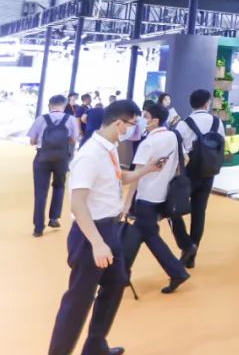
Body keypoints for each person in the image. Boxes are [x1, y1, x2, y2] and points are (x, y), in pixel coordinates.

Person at [47, 100, 166, 355]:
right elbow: (78, 204)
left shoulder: (109, 149)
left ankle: (95, 346)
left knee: (115, 284)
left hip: (110, 230)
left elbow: (119, 177)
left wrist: (148, 169)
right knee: (79, 300)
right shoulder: (90, 155)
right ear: (118, 123)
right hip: (91, 235)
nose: (133, 130)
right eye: (132, 125)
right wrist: (97, 243)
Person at [121, 103, 189, 294]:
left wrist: (127, 202)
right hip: (163, 194)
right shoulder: (173, 137)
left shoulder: (148, 143)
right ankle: (122, 273)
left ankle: (176, 272)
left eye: (146, 116)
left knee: (145, 235)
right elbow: (184, 159)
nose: (142, 120)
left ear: (155, 120)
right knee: (143, 234)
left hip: (146, 196)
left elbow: (136, 176)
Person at [171, 89, 220, 269]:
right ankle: (192, 255)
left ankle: (186, 245)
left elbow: (177, 147)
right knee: (199, 213)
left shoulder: (183, 124)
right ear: (207, 103)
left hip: (188, 172)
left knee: (173, 208)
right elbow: (221, 144)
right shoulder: (216, 122)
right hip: (208, 172)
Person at [28, 94, 79, 237]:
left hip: (42, 158)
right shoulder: (71, 119)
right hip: (61, 159)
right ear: (65, 105)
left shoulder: (41, 119)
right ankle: (54, 218)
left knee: (40, 193)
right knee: (59, 186)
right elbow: (73, 140)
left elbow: (32, 141)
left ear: (49, 105)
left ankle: (38, 228)